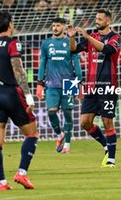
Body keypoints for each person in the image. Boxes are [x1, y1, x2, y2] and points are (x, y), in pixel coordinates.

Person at [0, 11, 38, 190]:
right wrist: (28, 96)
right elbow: (18, 70)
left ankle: (1, 183)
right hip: (10, 92)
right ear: (10, 25)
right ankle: (21, 173)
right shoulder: (12, 43)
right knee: (32, 134)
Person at [68, 9, 120, 168]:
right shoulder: (92, 37)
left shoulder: (115, 37)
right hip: (91, 88)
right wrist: (72, 37)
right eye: (96, 18)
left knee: (107, 122)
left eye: (100, 19)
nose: (96, 21)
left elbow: (107, 49)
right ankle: (106, 146)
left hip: (108, 87)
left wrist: (87, 36)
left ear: (108, 21)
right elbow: (73, 49)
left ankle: (111, 159)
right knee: (85, 122)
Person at [36, 17, 82, 154]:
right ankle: (59, 135)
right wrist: (39, 83)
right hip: (51, 83)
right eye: (53, 25)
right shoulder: (46, 43)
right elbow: (42, 63)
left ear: (64, 27)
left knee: (68, 114)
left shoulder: (70, 42)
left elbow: (76, 63)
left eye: (58, 25)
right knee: (51, 111)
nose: (55, 28)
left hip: (69, 83)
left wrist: (79, 82)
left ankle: (67, 143)